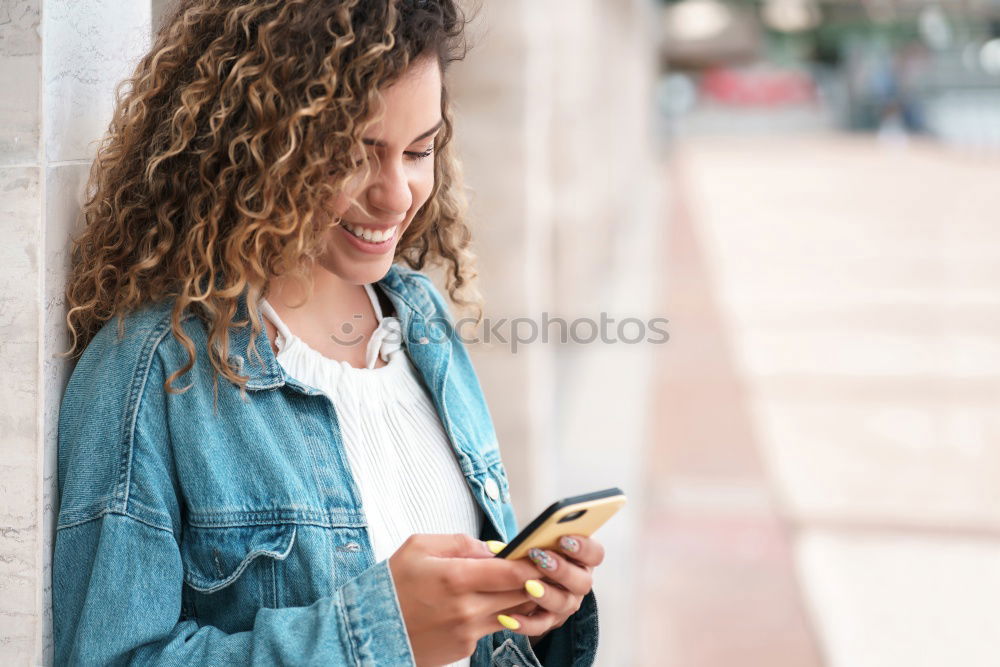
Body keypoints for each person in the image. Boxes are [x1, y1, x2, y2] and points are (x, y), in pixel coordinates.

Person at [52, 1, 603, 665]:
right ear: (258, 144)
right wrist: (372, 634)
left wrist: (527, 610)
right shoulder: (149, 370)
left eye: (419, 150)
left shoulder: (419, 319)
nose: (397, 195)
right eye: (353, 155)